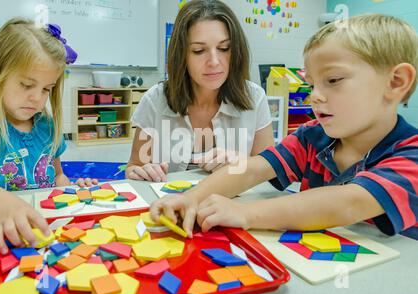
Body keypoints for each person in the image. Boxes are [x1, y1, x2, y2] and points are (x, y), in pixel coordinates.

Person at [150, 14, 418, 240]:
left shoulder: (412, 154)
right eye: (312, 84)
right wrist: (192, 197)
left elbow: (350, 202)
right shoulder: (311, 137)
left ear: (396, 82)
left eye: (333, 80)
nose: (315, 96)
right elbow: (251, 168)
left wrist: (246, 213)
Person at [126, 0, 274, 182]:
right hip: (170, 205)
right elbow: (134, 167)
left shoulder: (254, 98)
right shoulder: (154, 100)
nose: (214, 61)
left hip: (233, 206)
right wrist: (139, 172)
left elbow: (269, 170)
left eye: (224, 48)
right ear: (182, 55)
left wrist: (242, 164)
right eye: (198, 50)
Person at [0, 18, 79, 254]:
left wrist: (70, 189)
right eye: (27, 85)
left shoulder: (46, 126)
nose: (37, 98)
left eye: (46, 89)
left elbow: (57, 175)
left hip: (41, 236)